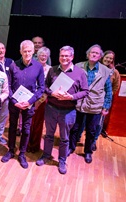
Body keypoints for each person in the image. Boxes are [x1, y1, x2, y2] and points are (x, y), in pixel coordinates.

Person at [35, 46, 89, 174]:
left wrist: (71, 96)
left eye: (66, 56)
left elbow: (85, 91)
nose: (64, 58)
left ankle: (62, 160)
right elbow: (45, 87)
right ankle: (46, 155)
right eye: (62, 56)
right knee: (49, 135)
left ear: (72, 57)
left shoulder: (79, 72)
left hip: (68, 111)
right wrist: (52, 93)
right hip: (51, 108)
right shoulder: (52, 70)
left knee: (65, 138)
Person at [1, 40, 45, 169]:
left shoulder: (38, 67)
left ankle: (22, 154)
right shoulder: (14, 66)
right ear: (20, 51)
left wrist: (30, 101)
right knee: (13, 127)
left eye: (29, 51)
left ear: (33, 52)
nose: (27, 53)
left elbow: (41, 88)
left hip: (28, 104)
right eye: (24, 51)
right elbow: (8, 85)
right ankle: (10, 150)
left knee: (26, 130)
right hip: (14, 103)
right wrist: (14, 101)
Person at [69, 44, 113, 164]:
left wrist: (106, 106)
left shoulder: (105, 71)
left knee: (91, 130)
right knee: (75, 128)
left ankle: (88, 151)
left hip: (95, 105)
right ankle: (71, 147)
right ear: (88, 54)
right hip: (79, 103)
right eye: (92, 52)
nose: (94, 54)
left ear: (100, 56)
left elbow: (109, 90)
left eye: (97, 53)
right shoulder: (78, 66)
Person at [27, 47, 52, 153]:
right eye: (41, 55)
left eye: (45, 55)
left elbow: (50, 85)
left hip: (43, 100)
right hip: (30, 98)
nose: (43, 57)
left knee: (38, 123)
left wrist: (41, 99)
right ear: (37, 56)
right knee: (28, 122)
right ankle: (26, 144)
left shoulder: (50, 69)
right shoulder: (32, 66)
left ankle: (35, 146)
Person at [94, 50, 121, 149]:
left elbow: (116, 87)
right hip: (92, 99)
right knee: (85, 121)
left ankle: (94, 140)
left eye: (111, 58)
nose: (108, 59)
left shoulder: (114, 72)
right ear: (102, 57)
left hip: (104, 101)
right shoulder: (95, 67)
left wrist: (106, 96)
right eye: (107, 57)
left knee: (99, 122)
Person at [0, 42, 13, 145]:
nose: (0, 51)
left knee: (3, 116)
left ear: (5, 50)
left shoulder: (11, 62)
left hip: (7, 95)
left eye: (2, 48)